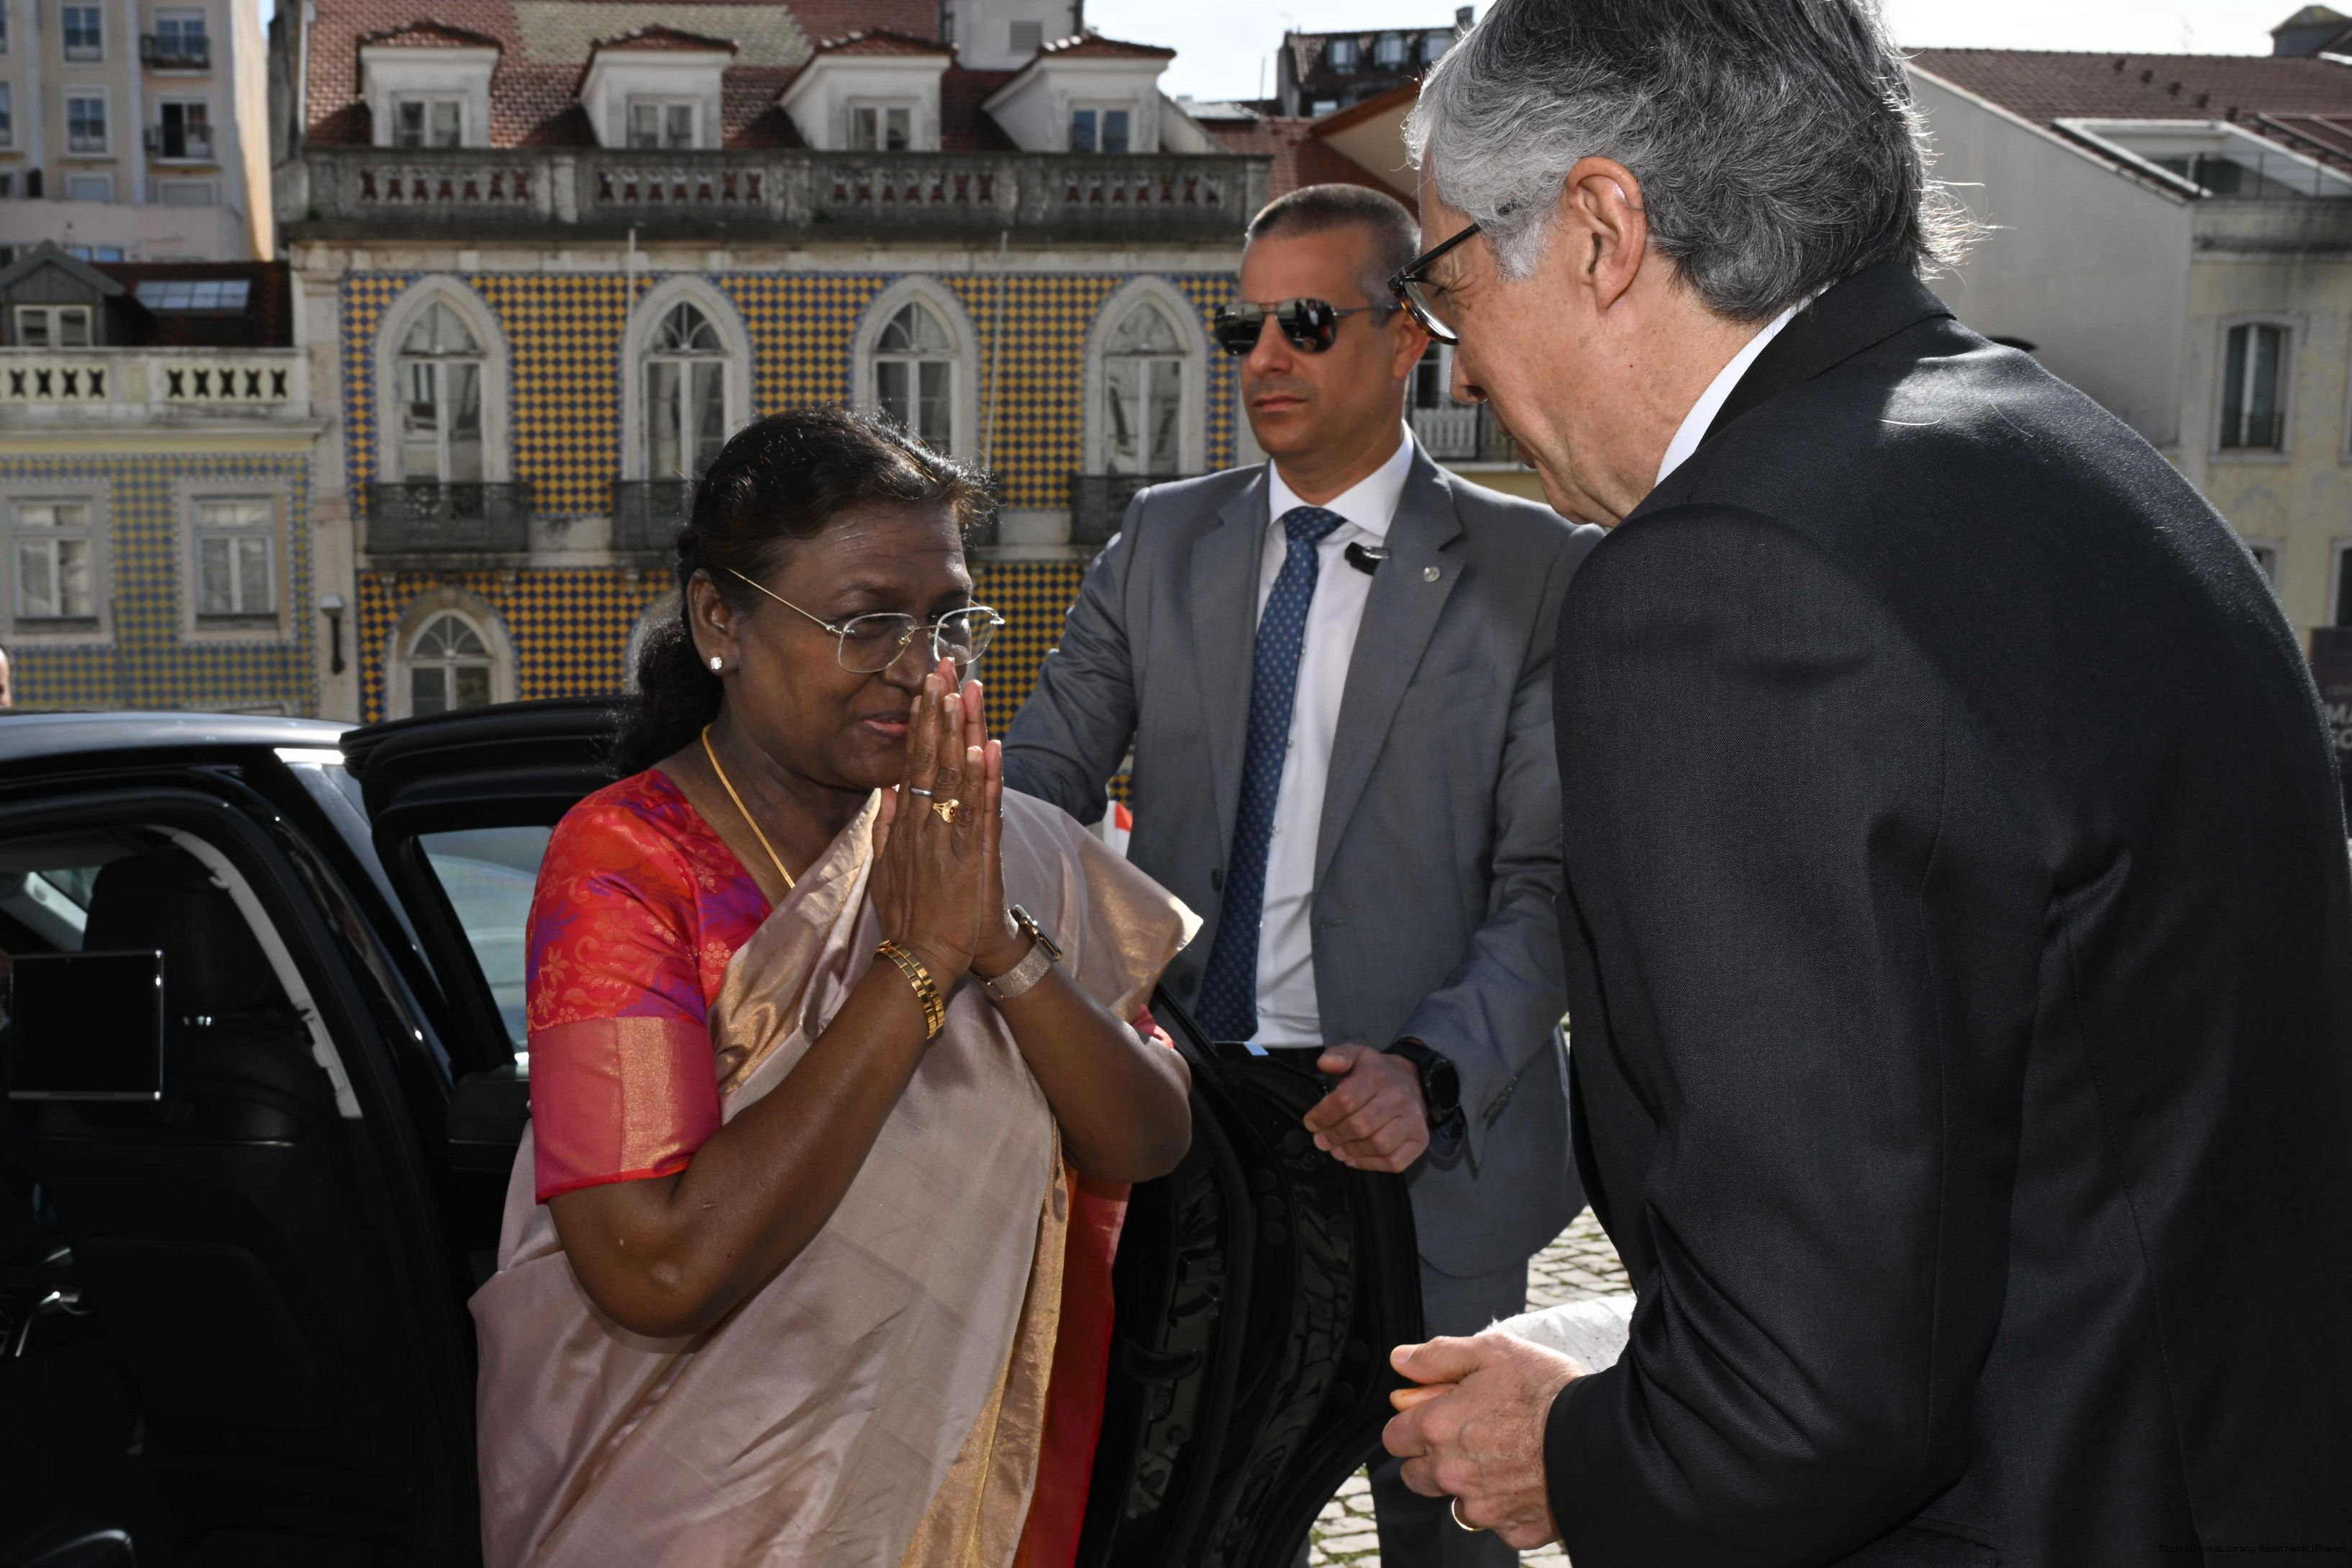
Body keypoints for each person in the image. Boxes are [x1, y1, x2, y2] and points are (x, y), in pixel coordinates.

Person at [1378, 1, 2352, 1563]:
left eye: (1442, 282)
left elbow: (1804, 1403)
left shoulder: (1724, 579)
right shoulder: (2076, 458)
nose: (1460, 365)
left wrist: (1574, 1450)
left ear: (1601, 231)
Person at [470, 409, 1199, 1567]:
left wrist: (998, 943)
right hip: (693, 1502)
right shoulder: (629, 863)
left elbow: (1151, 1137)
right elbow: (655, 1269)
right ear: (722, 619)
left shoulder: (996, 844)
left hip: (945, 1483)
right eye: (866, 623)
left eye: (948, 620)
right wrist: (918, 967)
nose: (920, 667)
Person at [1003, 183, 1601, 1568]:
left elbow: (1548, 883)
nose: (1265, 357)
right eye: (1245, 327)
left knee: (1446, 1536)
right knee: (1176, 1519)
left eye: (1308, 324)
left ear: (1407, 339)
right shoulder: (1161, 541)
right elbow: (1038, 790)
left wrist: (1429, 1072)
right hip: (1191, 1128)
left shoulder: (1536, 572)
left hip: (1417, 1144)